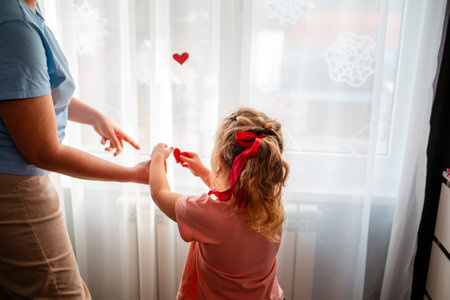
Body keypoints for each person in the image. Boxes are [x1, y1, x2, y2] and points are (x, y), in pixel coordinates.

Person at [0, 0, 149, 298]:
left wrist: (96, 117)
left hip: (14, 180)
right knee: (64, 293)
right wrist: (133, 174)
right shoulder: (15, 26)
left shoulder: (25, 9)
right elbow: (44, 152)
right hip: (15, 187)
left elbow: (33, 92)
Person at [149, 108, 290, 299]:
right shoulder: (272, 208)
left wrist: (157, 157)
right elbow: (236, 194)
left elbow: (160, 194)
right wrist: (203, 173)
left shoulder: (205, 213)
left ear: (221, 161)